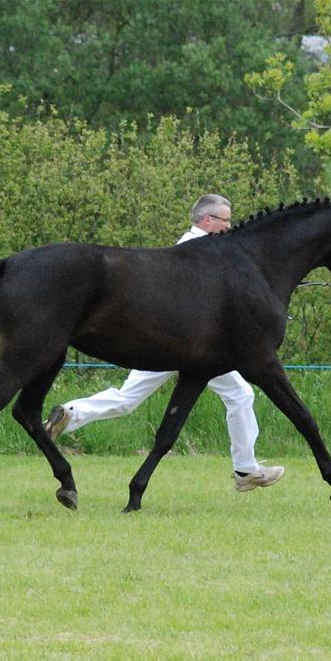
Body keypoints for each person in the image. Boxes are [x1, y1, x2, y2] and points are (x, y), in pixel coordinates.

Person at [44, 194, 284, 492]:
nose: (229, 225)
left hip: (170, 343)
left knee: (129, 399)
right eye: (225, 219)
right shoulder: (197, 249)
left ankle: (72, 413)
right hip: (192, 347)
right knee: (240, 394)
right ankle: (246, 470)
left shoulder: (198, 246)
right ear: (208, 221)